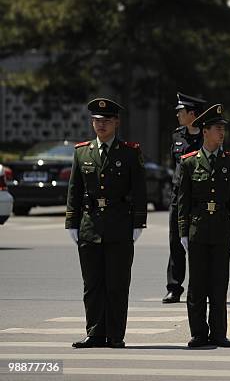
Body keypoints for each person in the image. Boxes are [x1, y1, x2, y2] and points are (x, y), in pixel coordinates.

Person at [65, 98, 147, 348]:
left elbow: (140, 190)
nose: (101, 125)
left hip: (119, 225)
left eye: (106, 120)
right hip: (90, 225)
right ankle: (95, 332)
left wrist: (138, 223)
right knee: (92, 285)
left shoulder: (130, 152)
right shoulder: (82, 151)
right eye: (97, 120)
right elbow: (74, 190)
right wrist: (72, 222)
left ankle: (115, 335)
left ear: (116, 123)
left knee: (117, 284)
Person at [177, 103, 230, 348]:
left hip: (221, 229)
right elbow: (183, 201)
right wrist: (183, 231)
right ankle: (198, 333)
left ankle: (218, 333)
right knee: (197, 285)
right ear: (204, 131)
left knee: (219, 283)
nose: (221, 132)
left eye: (222, 128)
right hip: (198, 229)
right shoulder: (189, 163)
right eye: (216, 128)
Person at [163, 92, 208, 304]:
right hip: (178, 196)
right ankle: (174, 287)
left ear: (192, 113)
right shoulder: (177, 136)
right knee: (175, 242)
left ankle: (200, 286)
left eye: (181, 111)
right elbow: (176, 166)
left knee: (198, 242)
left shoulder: (207, 136)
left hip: (198, 196)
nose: (178, 115)